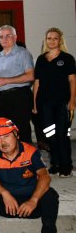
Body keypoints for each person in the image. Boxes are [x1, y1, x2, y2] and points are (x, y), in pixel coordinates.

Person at [0, 118, 60, 233]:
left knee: (50, 194)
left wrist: (34, 200)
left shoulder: (31, 151)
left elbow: (44, 176)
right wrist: (5, 193)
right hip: (7, 205)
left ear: (16, 135)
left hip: (31, 206)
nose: (3, 142)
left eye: (6, 136)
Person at [33, 27, 75, 176]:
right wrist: (34, 104)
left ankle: (66, 166)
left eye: (55, 38)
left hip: (62, 103)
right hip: (44, 104)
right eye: (49, 38)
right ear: (46, 40)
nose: (52, 41)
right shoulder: (41, 59)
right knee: (50, 135)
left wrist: (72, 100)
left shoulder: (67, 58)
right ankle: (55, 164)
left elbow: (72, 80)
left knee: (63, 135)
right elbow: (37, 83)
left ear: (60, 40)